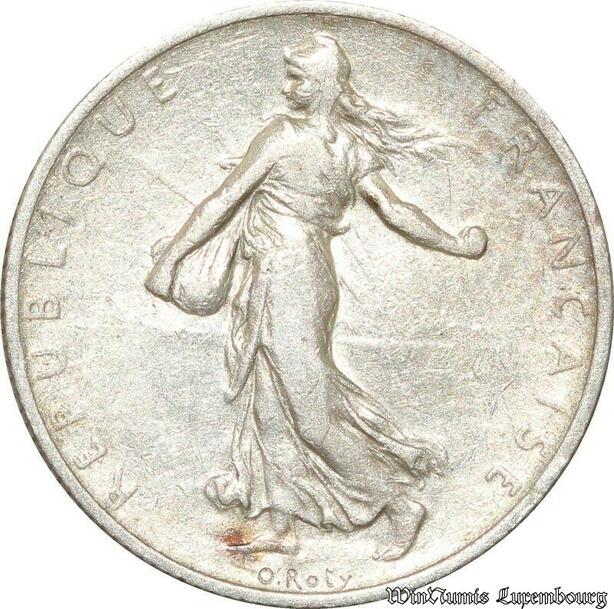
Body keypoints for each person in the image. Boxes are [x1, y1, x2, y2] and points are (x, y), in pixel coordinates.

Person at [145, 33, 487, 561]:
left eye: (298, 78)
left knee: (309, 413)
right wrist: (455, 244)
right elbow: (396, 211)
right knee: (270, 406)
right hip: (293, 274)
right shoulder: (350, 147)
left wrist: (169, 260)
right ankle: (280, 523)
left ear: (325, 85)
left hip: (288, 277)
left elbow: (222, 201)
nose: (287, 88)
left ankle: (397, 505)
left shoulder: (283, 137)